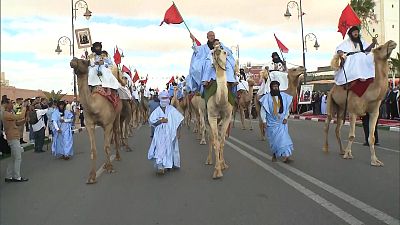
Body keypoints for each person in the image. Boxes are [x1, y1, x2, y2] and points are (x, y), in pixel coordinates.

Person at [147, 90, 184, 175]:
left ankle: (169, 164)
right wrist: (160, 121)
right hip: (160, 134)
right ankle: (160, 167)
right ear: (160, 99)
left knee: (171, 148)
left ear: (168, 99)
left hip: (171, 133)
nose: (164, 100)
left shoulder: (172, 110)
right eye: (163, 98)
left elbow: (179, 120)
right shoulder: (156, 111)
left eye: (166, 98)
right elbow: (152, 122)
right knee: (160, 149)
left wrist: (178, 132)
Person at [260, 81, 294, 163]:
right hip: (271, 123)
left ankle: (286, 156)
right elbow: (263, 111)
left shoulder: (284, 96)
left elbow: (286, 109)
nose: (275, 88)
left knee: (284, 139)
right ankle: (274, 154)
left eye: (276, 87)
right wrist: (264, 121)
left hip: (282, 122)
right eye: (274, 87)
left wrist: (286, 117)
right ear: (271, 88)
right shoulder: (266, 98)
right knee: (274, 141)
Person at [2, 98, 29, 182]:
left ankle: (8, 176)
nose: (12, 105)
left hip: (13, 137)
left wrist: (24, 120)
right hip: (13, 137)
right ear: (6, 104)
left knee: (13, 158)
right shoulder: (6, 114)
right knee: (18, 158)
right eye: (10, 103)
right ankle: (17, 176)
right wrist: (24, 108)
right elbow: (19, 116)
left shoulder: (9, 114)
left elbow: (16, 123)